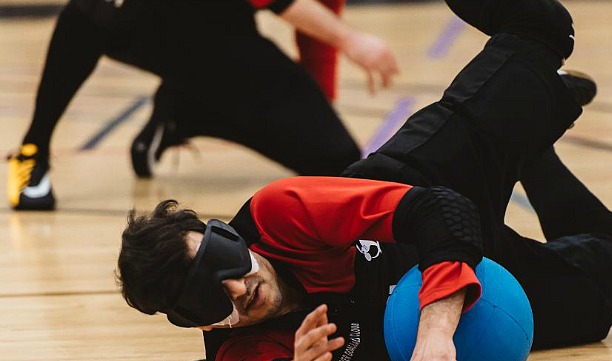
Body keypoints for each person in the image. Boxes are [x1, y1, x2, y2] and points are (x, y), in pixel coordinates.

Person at [116, 0, 612, 361]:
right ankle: (531, 146)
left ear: (224, 235)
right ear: (193, 322)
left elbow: (438, 208)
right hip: (475, 262)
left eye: (218, 265)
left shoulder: (280, 212)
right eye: (205, 298)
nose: (236, 290)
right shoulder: (238, 352)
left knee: (546, 30)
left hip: (429, 179)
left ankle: (519, 131)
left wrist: (437, 325)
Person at [6, 0, 400, 210]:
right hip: (153, 18)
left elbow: (317, 38)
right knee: (92, 10)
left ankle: (182, 111)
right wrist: (352, 40)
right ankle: (32, 151)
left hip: (221, 41)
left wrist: (307, 115)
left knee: (335, 157)